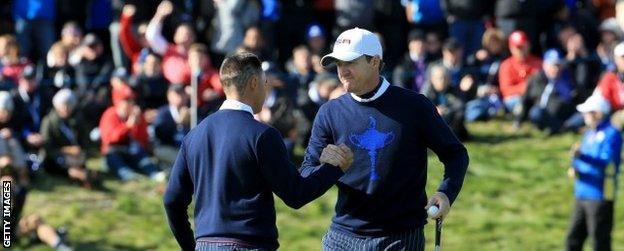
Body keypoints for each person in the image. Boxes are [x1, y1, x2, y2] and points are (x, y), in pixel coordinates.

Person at [163, 52, 354, 251]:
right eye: (265, 82)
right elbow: (296, 194)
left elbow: (171, 201)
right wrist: (334, 168)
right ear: (254, 82)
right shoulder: (262, 135)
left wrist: (191, 247)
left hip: (205, 244)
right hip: (248, 244)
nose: (266, 88)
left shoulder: (194, 135)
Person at [310, 27, 469, 250]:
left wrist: (446, 192)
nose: (342, 71)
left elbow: (456, 154)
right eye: (338, 64)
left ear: (374, 61)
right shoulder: (329, 112)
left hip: (400, 237)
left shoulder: (414, 106)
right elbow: (306, 178)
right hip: (343, 236)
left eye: (350, 63)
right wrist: (325, 168)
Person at [566, 94, 621, 251]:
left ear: (598, 113)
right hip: (582, 194)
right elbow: (580, 157)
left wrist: (582, 157)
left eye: (588, 112)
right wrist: (574, 165)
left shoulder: (612, 134)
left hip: (600, 195)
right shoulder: (589, 133)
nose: (584, 116)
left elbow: (607, 163)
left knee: (599, 241)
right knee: (573, 239)